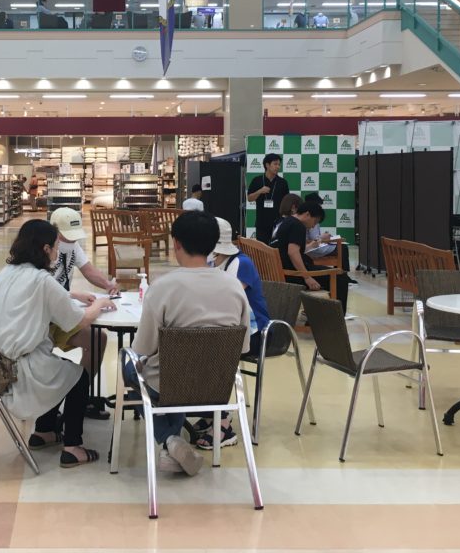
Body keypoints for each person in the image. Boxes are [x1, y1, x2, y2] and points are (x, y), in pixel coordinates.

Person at [0, 219, 115, 468]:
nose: (56, 253)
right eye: (55, 247)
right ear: (45, 248)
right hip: (17, 370)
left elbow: (35, 295)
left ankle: (44, 432)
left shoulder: (7, 272)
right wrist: (100, 303)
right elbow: (80, 319)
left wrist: (71, 294)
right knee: (78, 377)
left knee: (58, 368)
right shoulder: (41, 279)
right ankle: (73, 448)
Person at [127, 211, 250, 476]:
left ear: (176, 243)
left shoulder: (163, 287)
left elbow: (142, 348)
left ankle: (169, 440)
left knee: (131, 369)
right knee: (176, 376)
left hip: (168, 382)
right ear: (214, 244)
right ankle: (173, 445)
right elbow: (242, 347)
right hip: (218, 383)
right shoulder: (234, 287)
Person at [48, 207, 120, 417]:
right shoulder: (44, 251)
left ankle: (80, 397)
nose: (71, 241)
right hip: (43, 319)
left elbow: (88, 270)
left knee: (98, 340)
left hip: (60, 314)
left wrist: (107, 285)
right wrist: (76, 295)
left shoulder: (72, 246)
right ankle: (49, 409)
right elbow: (43, 290)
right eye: (66, 237)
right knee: (45, 355)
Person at [204, 216, 267, 451]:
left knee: (211, 354)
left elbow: (226, 301)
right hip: (230, 328)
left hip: (256, 333)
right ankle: (211, 411)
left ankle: (222, 421)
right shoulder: (214, 262)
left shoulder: (241, 264)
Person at [273, 201, 349, 313]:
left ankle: (317, 314)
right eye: (315, 221)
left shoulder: (287, 221)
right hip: (292, 275)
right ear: (307, 214)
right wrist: (307, 277)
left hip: (282, 270)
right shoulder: (298, 226)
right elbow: (292, 252)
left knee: (326, 271)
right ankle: (336, 317)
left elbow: (291, 250)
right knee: (341, 277)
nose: (313, 226)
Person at [304, 191, 354, 281]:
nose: (320, 207)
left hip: (313, 246)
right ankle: (343, 276)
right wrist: (323, 238)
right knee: (343, 248)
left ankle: (340, 275)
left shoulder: (308, 216)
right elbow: (314, 239)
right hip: (312, 248)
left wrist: (324, 237)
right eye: (319, 205)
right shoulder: (311, 218)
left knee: (341, 246)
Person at [247, 153, 291, 244]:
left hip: (278, 223)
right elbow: (249, 198)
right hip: (261, 222)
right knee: (262, 248)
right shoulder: (257, 180)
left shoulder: (283, 182)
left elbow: (287, 202)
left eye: (279, 164)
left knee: (277, 248)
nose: (278, 167)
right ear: (267, 165)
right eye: (275, 164)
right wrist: (259, 191)